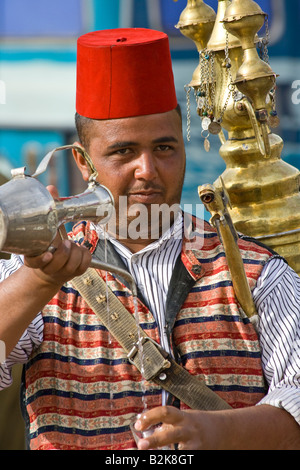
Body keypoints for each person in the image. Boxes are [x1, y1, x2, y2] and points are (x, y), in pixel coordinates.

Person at [0, 28, 300, 451]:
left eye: (164, 148)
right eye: (123, 152)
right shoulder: (30, 273)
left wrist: (214, 432)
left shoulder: (256, 274)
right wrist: (38, 282)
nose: (148, 170)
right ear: (84, 163)